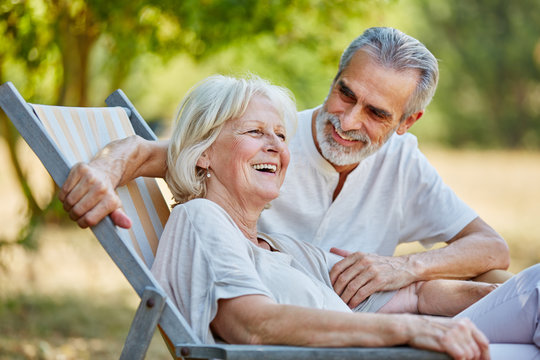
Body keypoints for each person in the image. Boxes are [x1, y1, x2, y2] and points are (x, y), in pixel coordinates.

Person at [59, 27, 511, 309]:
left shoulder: (402, 163)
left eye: (375, 113)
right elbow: (146, 152)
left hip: (368, 316)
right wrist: (102, 169)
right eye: (346, 93)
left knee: (496, 282)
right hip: (296, 327)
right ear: (335, 78)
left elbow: (491, 247)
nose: (348, 121)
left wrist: (406, 268)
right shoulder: (269, 142)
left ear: (407, 123)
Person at [150, 74, 539, 359]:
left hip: (394, 350)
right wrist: (407, 330)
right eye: (255, 132)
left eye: (282, 136)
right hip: (383, 355)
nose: (275, 148)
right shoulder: (200, 219)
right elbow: (252, 326)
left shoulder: (280, 249)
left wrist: (503, 300)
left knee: (533, 295)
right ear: (203, 153)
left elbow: (415, 296)